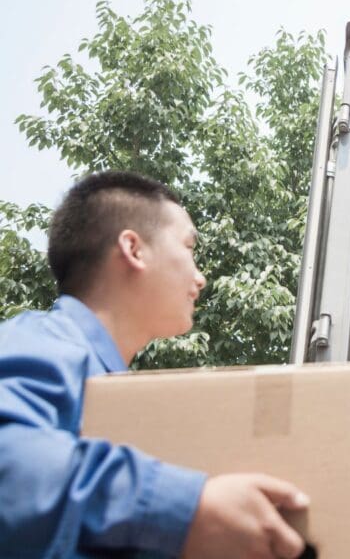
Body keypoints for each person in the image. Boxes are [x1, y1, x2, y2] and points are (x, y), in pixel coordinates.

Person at [0, 172, 310, 558]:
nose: (201, 277)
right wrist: (188, 510)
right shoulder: (41, 340)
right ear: (134, 248)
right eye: (188, 247)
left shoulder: (113, 389)